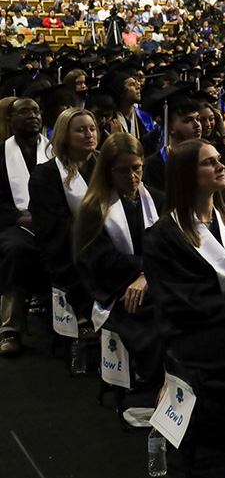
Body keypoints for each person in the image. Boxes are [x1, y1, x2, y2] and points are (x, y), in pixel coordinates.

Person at [144, 137, 225, 472]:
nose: (220, 165)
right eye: (209, 162)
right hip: (199, 344)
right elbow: (184, 304)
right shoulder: (163, 236)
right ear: (188, 175)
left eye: (219, 159)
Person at [72, 133, 163, 383]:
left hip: (152, 281)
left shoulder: (157, 199)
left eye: (137, 168)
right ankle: (159, 378)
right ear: (108, 171)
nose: (132, 177)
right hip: (112, 291)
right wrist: (148, 272)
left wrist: (147, 276)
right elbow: (102, 263)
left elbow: (171, 250)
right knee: (158, 314)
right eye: (123, 171)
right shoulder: (93, 209)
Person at [29, 108, 99, 335]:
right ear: (64, 136)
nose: (89, 134)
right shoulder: (45, 175)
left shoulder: (105, 166)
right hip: (68, 252)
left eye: (92, 128)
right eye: (80, 130)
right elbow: (52, 230)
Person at [0, 98, 52, 356]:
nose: (32, 115)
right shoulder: (0, 154)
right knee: (16, 250)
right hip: (13, 222)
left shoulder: (55, 151)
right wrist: (19, 219)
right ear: (10, 120)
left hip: (53, 220)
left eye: (36, 111)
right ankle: (10, 328)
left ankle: (78, 320)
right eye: (24, 111)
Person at [143, 92, 202, 192]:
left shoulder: (206, 158)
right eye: (188, 120)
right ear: (170, 128)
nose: (197, 125)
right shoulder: (152, 167)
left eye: (198, 119)